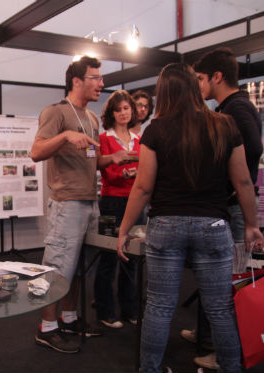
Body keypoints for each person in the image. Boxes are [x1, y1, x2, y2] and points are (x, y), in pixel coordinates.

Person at [116, 63, 264, 373]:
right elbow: (243, 182)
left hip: (165, 225)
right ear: (194, 88)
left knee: (158, 305)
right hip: (213, 225)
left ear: (164, 92)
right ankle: (231, 367)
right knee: (221, 309)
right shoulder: (224, 125)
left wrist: (124, 229)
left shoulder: (155, 130)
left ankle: (150, 369)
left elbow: (143, 187)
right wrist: (252, 224)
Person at [30, 56, 133, 354]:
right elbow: (36, 152)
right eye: (96, 78)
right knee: (57, 266)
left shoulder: (91, 118)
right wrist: (64, 135)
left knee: (77, 268)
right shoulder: (55, 112)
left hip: (90, 200)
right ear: (77, 80)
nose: (102, 83)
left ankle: (70, 318)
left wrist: (110, 160)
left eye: (101, 78)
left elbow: (90, 160)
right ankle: (46, 327)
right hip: (67, 203)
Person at [180, 46, 264, 370]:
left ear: (216, 77)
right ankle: (209, 336)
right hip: (229, 209)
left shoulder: (236, 109)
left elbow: (251, 150)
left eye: (200, 78)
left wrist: (229, 181)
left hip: (234, 209)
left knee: (229, 282)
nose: (198, 85)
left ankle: (226, 352)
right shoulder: (230, 106)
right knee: (215, 279)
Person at [94, 90, 141, 329]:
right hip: (112, 201)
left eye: (126, 108)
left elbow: (145, 168)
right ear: (111, 113)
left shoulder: (138, 139)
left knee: (132, 257)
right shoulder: (104, 138)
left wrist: (136, 173)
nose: (123, 113)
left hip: (135, 202)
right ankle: (105, 310)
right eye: (118, 109)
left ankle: (130, 308)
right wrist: (123, 172)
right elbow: (106, 172)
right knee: (109, 256)